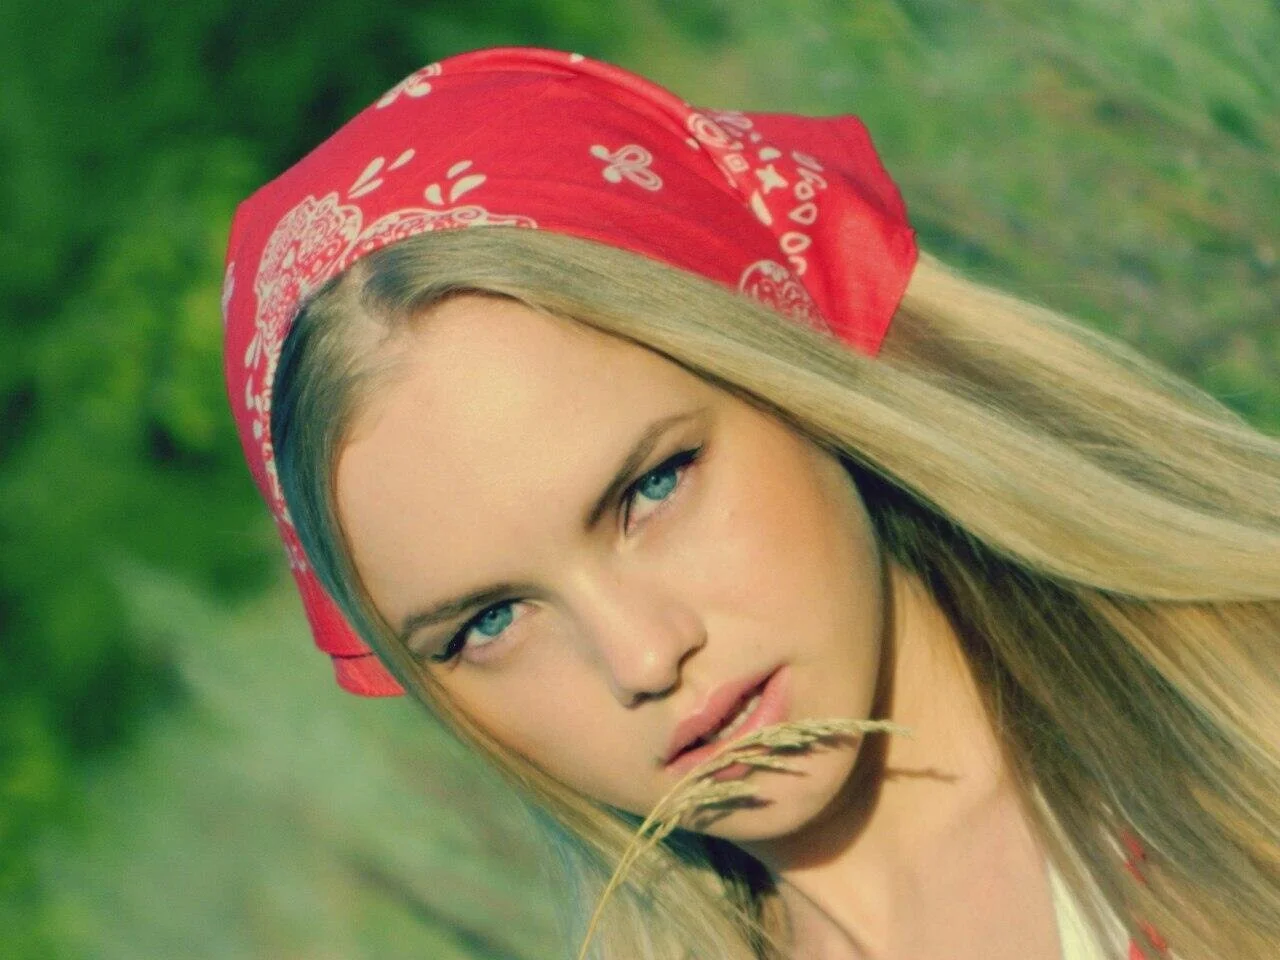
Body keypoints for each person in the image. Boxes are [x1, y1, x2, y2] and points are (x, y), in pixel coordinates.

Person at [220, 47, 1280, 960]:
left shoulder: (1252, 732)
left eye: (651, 487)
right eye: (488, 623)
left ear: (790, 364)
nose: (642, 658)